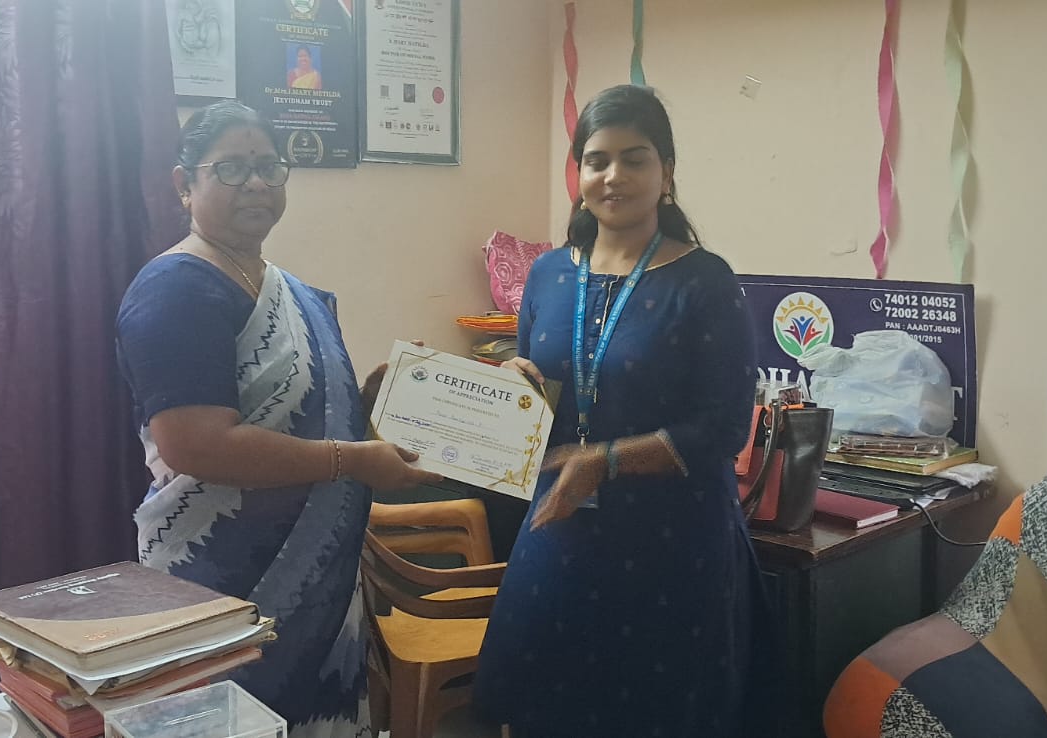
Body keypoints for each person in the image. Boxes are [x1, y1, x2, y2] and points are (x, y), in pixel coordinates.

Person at [116, 101, 440, 737]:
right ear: (184, 184)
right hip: (218, 575)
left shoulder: (289, 290)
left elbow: (301, 415)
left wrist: (374, 399)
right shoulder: (175, 290)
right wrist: (353, 460)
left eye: (268, 167)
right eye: (232, 168)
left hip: (321, 585)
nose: (256, 183)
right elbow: (195, 445)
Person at [474, 85, 777, 737]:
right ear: (579, 173)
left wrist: (605, 461)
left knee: (654, 714)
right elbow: (544, 391)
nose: (614, 176)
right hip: (562, 527)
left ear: (666, 173)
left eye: (634, 159)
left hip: (673, 543)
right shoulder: (549, 274)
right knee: (545, 707)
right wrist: (515, 383)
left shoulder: (705, 281)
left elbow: (724, 427)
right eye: (597, 160)